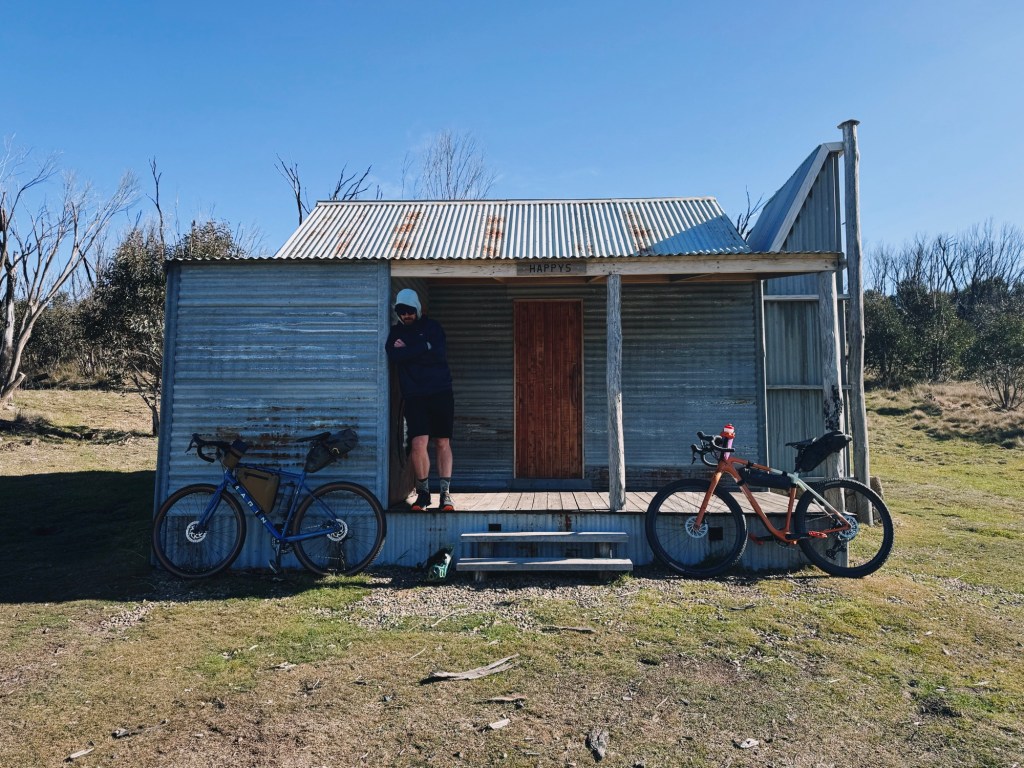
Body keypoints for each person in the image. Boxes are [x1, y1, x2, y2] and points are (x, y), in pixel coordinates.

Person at [385, 288, 456, 512]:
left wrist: (409, 350)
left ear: (417, 308)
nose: (406, 316)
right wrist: (423, 347)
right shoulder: (396, 333)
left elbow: (438, 354)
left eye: (410, 311)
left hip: (440, 391)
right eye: (402, 312)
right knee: (418, 443)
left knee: (442, 442)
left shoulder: (432, 328)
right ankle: (423, 493)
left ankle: (445, 494)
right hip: (414, 394)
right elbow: (394, 355)